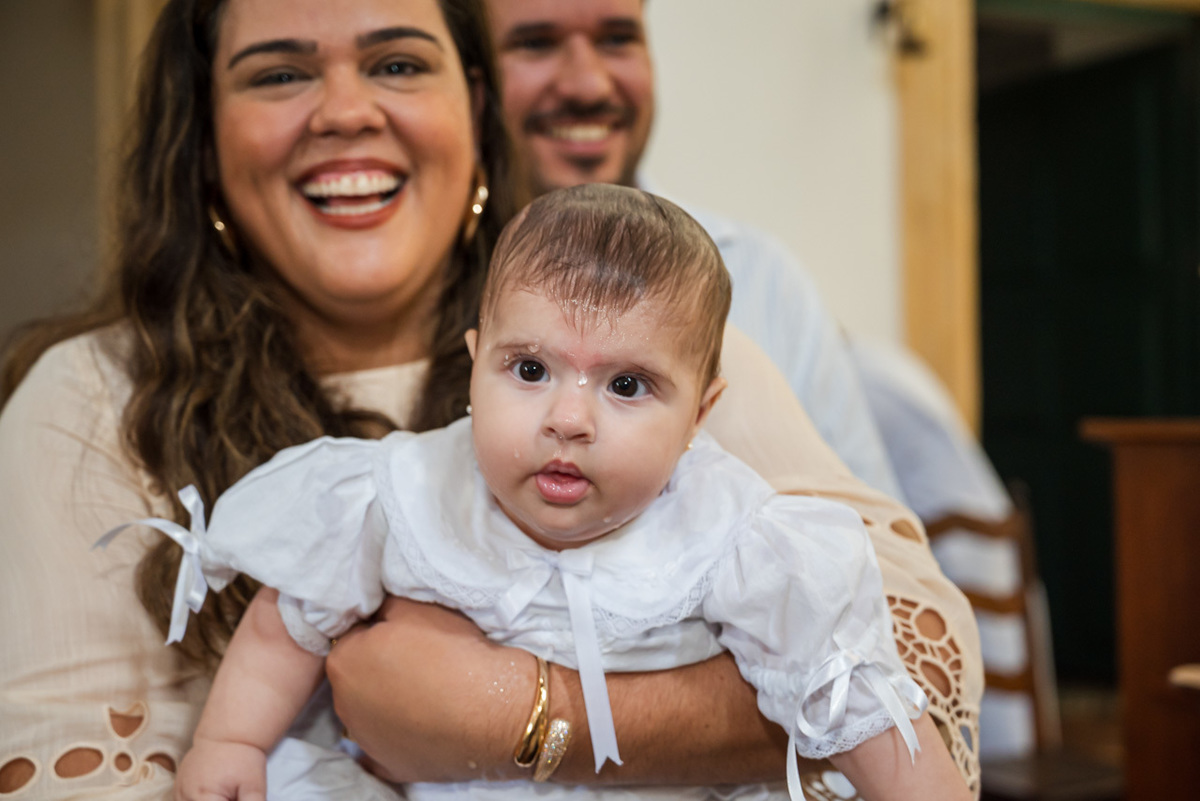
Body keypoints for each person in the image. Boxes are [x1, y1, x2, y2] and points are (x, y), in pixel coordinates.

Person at [0, 0, 979, 798]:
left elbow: (908, 667)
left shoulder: (679, 367)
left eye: (396, 63)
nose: (346, 109)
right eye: (280, 72)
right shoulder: (93, 404)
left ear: (477, 104)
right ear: (202, 133)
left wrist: (514, 714)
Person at [147, 183, 957, 801]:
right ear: (476, 363)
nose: (568, 418)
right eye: (530, 370)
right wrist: (232, 743)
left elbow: (854, 695)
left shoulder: (733, 534)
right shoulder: (406, 490)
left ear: (699, 415)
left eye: (629, 385)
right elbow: (289, 616)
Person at [483, 0, 902, 500]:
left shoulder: (760, 279)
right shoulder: (430, 281)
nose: (588, 84)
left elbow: (871, 542)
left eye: (617, 38)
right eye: (536, 43)